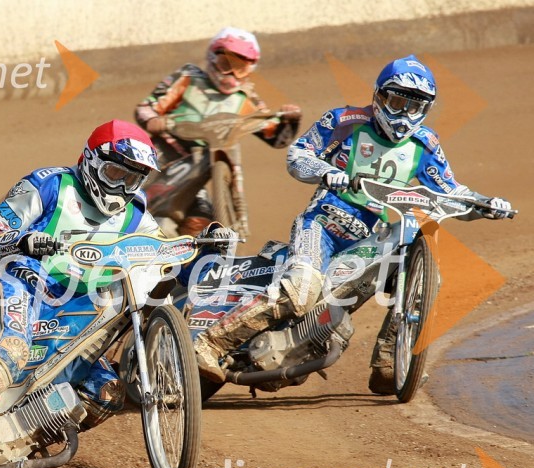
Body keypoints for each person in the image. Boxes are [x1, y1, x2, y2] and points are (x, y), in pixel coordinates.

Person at [0, 120, 233, 468]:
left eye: (133, 179)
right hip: (23, 286)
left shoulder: (136, 215)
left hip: (78, 311)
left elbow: (164, 262)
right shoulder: (49, 184)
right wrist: (24, 241)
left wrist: (207, 249)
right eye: (114, 173)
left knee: (105, 392)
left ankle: (10, 447)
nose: (122, 187)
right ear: (91, 161)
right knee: (9, 350)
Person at [193, 55, 513, 393]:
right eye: (396, 101)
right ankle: (210, 345)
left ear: (426, 109)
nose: (403, 114)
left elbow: (450, 192)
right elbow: (298, 155)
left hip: (366, 238)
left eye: (413, 106)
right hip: (320, 227)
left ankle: (390, 362)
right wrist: (326, 171)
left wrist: (485, 204)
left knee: (426, 280)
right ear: (379, 96)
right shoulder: (344, 120)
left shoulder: (426, 145)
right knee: (300, 293)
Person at [135, 26, 302, 236]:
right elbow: (146, 106)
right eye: (226, 64)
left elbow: (275, 136)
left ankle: (202, 257)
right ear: (212, 58)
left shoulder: (246, 98)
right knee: (141, 207)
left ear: (250, 70)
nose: (231, 73)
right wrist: (153, 119)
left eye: (239, 68)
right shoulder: (188, 78)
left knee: (199, 225)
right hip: (165, 158)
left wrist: (290, 120)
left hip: (204, 172)